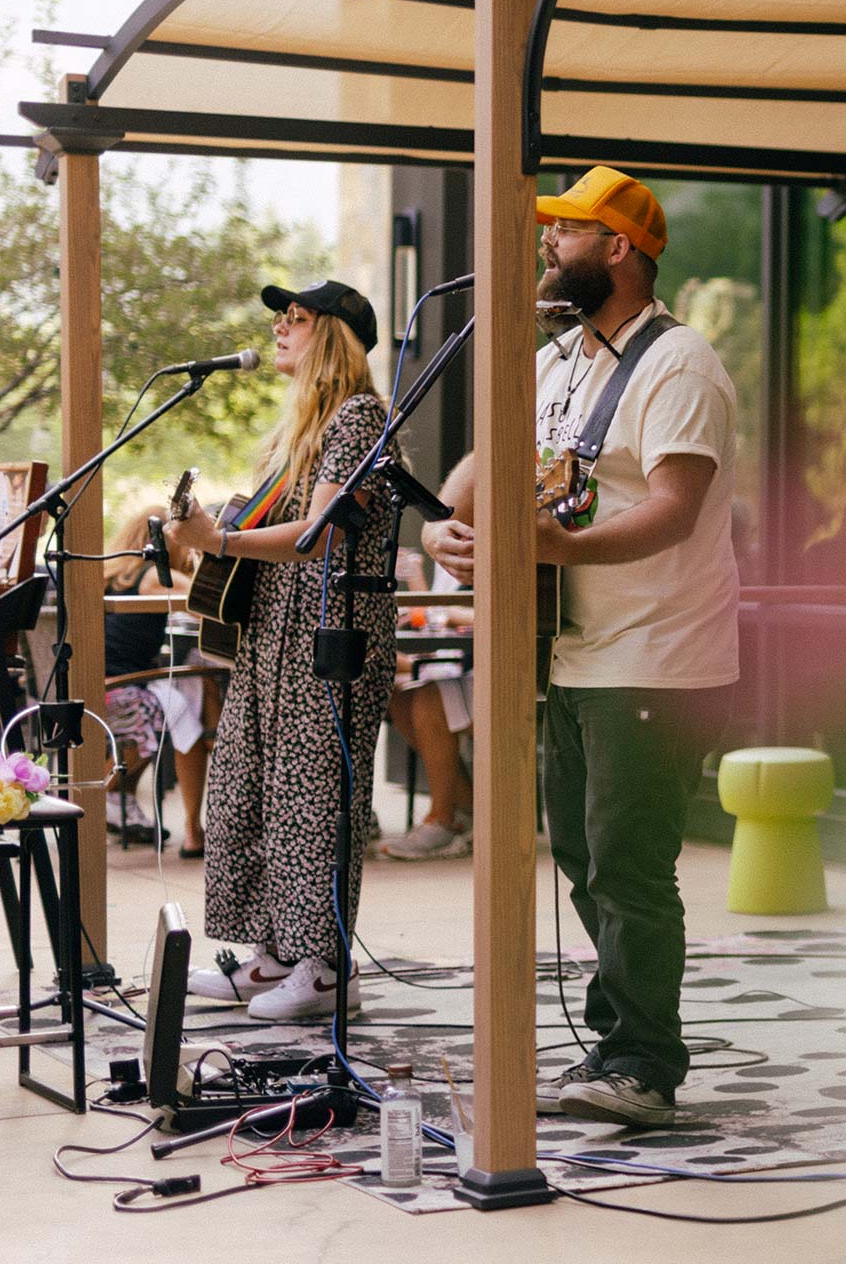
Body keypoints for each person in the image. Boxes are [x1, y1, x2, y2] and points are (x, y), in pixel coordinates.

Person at [423, 166, 739, 1129]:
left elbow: (675, 512)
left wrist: (555, 544)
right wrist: (444, 529)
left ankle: (646, 1061)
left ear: (620, 249)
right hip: (568, 648)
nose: (546, 248)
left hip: (653, 652)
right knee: (583, 858)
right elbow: (472, 482)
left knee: (628, 863)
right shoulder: (555, 360)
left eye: (564, 232)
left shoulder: (680, 363)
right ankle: (616, 1038)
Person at [166, 279, 396, 1022]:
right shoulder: (296, 429)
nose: (277, 329)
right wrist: (204, 538)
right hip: (276, 631)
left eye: (294, 318)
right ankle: (271, 957)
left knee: (313, 797)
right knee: (253, 787)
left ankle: (325, 967)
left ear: (335, 335)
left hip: (331, 627)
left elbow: (323, 532)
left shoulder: (360, 416)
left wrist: (220, 539)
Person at [102, 506, 195, 843]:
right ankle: (103, 793)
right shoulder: (154, 576)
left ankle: (116, 799)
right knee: (177, 707)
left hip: (93, 684)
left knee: (174, 700)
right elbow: (203, 594)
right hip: (118, 690)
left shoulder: (111, 574)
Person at [379, 562, 474, 860]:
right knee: (398, 696)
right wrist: (416, 576)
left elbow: (493, 614)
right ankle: (470, 810)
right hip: (454, 664)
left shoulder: (488, 544)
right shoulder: (446, 551)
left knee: (428, 699)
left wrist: (438, 613)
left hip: (497, 668)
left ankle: (443, 817)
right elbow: (435, 620)